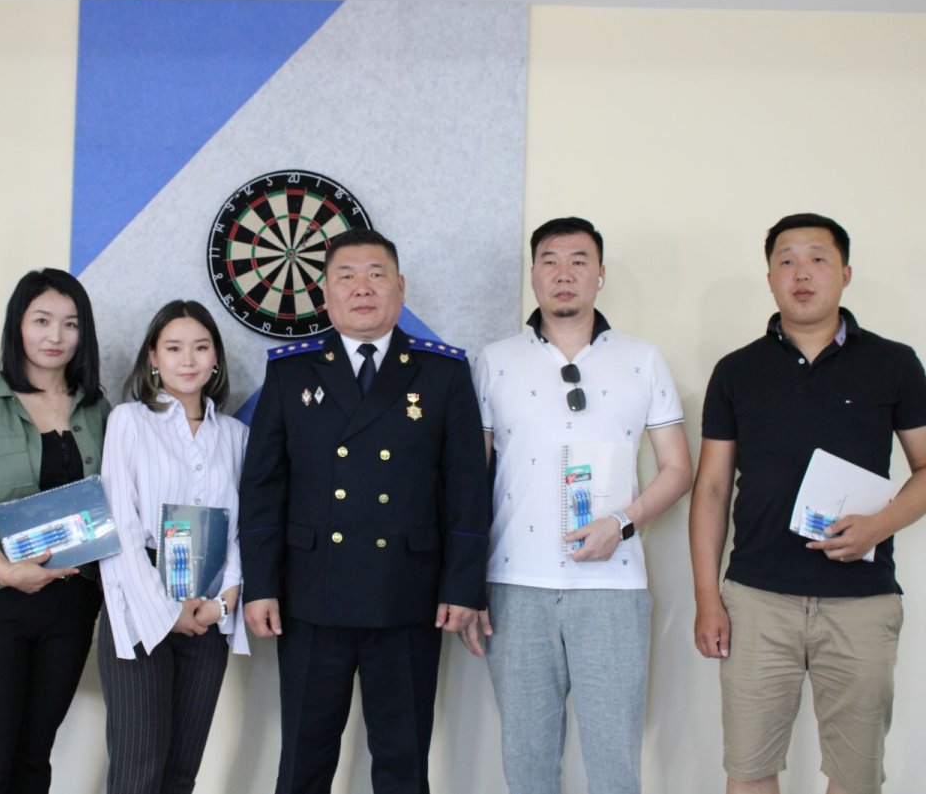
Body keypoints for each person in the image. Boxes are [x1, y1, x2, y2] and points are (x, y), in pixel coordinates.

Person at [239, 227, 489, 794]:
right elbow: (263, 487)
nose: (362, 288)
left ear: (401, 287)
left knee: (403, 763)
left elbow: (466, 488)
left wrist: (463, 586)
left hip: (407, 594)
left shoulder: (443, 372)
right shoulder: (291, 371)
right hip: (311, 594)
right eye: (346, 276)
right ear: (325, 293)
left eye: (376, 275)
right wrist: (261, 584)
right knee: (303, 762)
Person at [689, 213, 926, 794]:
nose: (802, 273)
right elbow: (712, 489)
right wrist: (707, 599)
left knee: (855, 774)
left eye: (818, 258)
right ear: (770, 277)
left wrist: (879, 525)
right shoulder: (736, 370)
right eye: (786, 260)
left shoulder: (894, 363)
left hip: (861, 601)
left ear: (845, 273)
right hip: (756, 599)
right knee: (749, 767)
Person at [468, 216, 692, 794]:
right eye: (549, 261)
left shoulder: (642, 359)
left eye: (578, 261)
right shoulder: (495, 360)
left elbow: (678, 469)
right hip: (515, 587)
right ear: (533, 275)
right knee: (527, 765)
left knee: (615, 766)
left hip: (613, 589)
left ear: (600, 274)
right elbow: (470, 480)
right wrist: (467, 587)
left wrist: (622, 523)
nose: (563, 273)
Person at [0, 268, 110, 794]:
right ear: (18, 325)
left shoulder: (99, 410)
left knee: (35, 755)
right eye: (41, 321)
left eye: (70, 324)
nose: (55, 336)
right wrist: (6, 571)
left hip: (73, 602)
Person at [98, 300, 248, 794]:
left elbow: (241, 528)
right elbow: (119, 526)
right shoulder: (129, 421)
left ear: (216, 358)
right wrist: (168, 610)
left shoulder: (235, 436)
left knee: (181, 773)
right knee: (137, 772)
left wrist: (222, 602)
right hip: (140, 603)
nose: (188, 360)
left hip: (209, 606)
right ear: (153, 357)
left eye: (201, 348)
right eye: (174, 348)